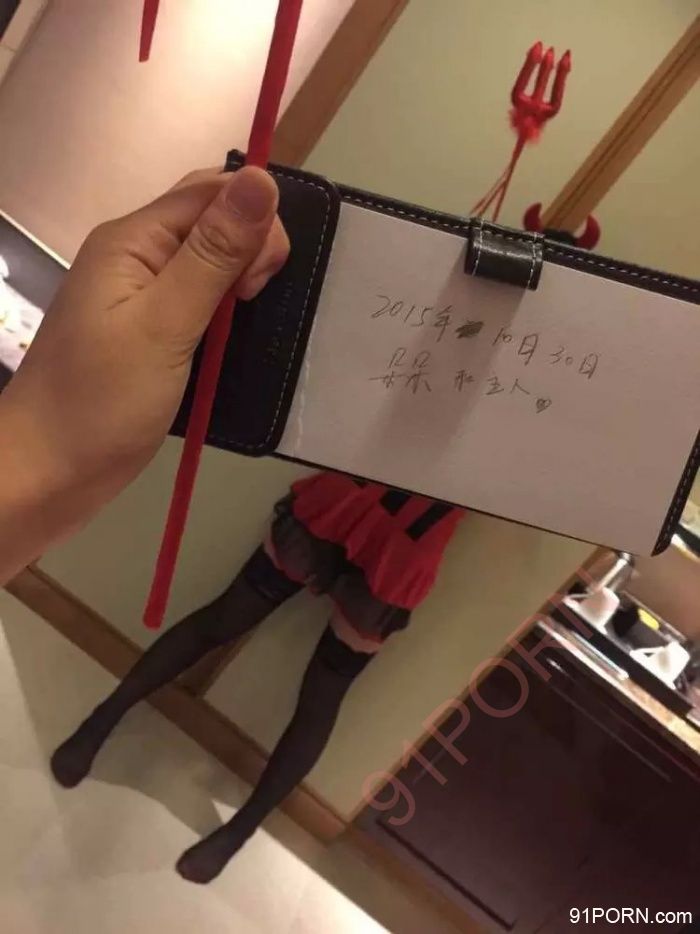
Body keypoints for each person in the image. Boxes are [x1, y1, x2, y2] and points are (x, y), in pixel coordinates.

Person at [1, 165, 463, 884]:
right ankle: (104, 716)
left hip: (409, 541)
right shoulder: (430, 314)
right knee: (224, 617)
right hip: (347, 495)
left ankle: (243, 828)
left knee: (324, 691)